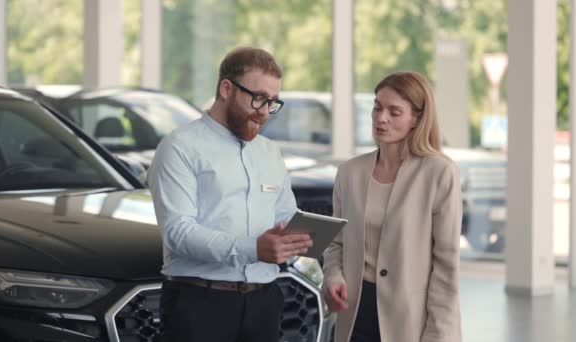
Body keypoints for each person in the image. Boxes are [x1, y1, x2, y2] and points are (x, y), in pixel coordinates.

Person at [148, 47, 313, 342]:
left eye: (272, 102)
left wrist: (302, 237)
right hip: (199, 304)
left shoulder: (269, 152)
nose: (264, 111)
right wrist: (254, 249)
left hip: (265, 302)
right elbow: (178, 232)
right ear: (226, 88)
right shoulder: (180, 147)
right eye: (258, 98)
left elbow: (284, 215)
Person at [322, 71, 462, 342]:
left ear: (416, 118)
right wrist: (334, 277)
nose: (381, 118)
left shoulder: (440, 173)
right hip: (355, 313)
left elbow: (446, 266)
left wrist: (438, 335)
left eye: (394, 112)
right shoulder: (350, 173)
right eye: (377, 107)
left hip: (413, 319)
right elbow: (335, 243)